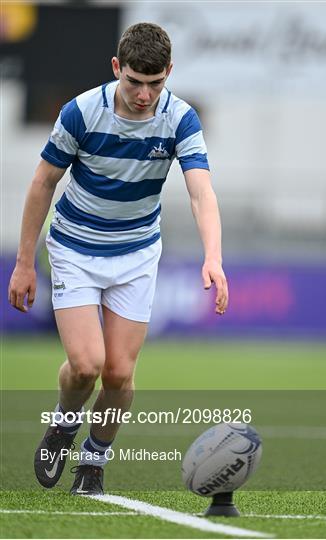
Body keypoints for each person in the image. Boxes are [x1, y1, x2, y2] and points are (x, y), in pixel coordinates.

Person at [8, 22, 229, 496]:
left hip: (135, 252)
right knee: (86, 366)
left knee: (119, 373)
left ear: (169, 73)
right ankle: (64, 426)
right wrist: (25, 261)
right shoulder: (81, 112)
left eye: (156, 83)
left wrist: (214, 256)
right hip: (74, 247)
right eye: (134, 82)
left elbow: (201, 192)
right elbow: (43, 183)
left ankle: (93, 459)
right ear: (116, 69)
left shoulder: (180, 119)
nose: (145, 94)